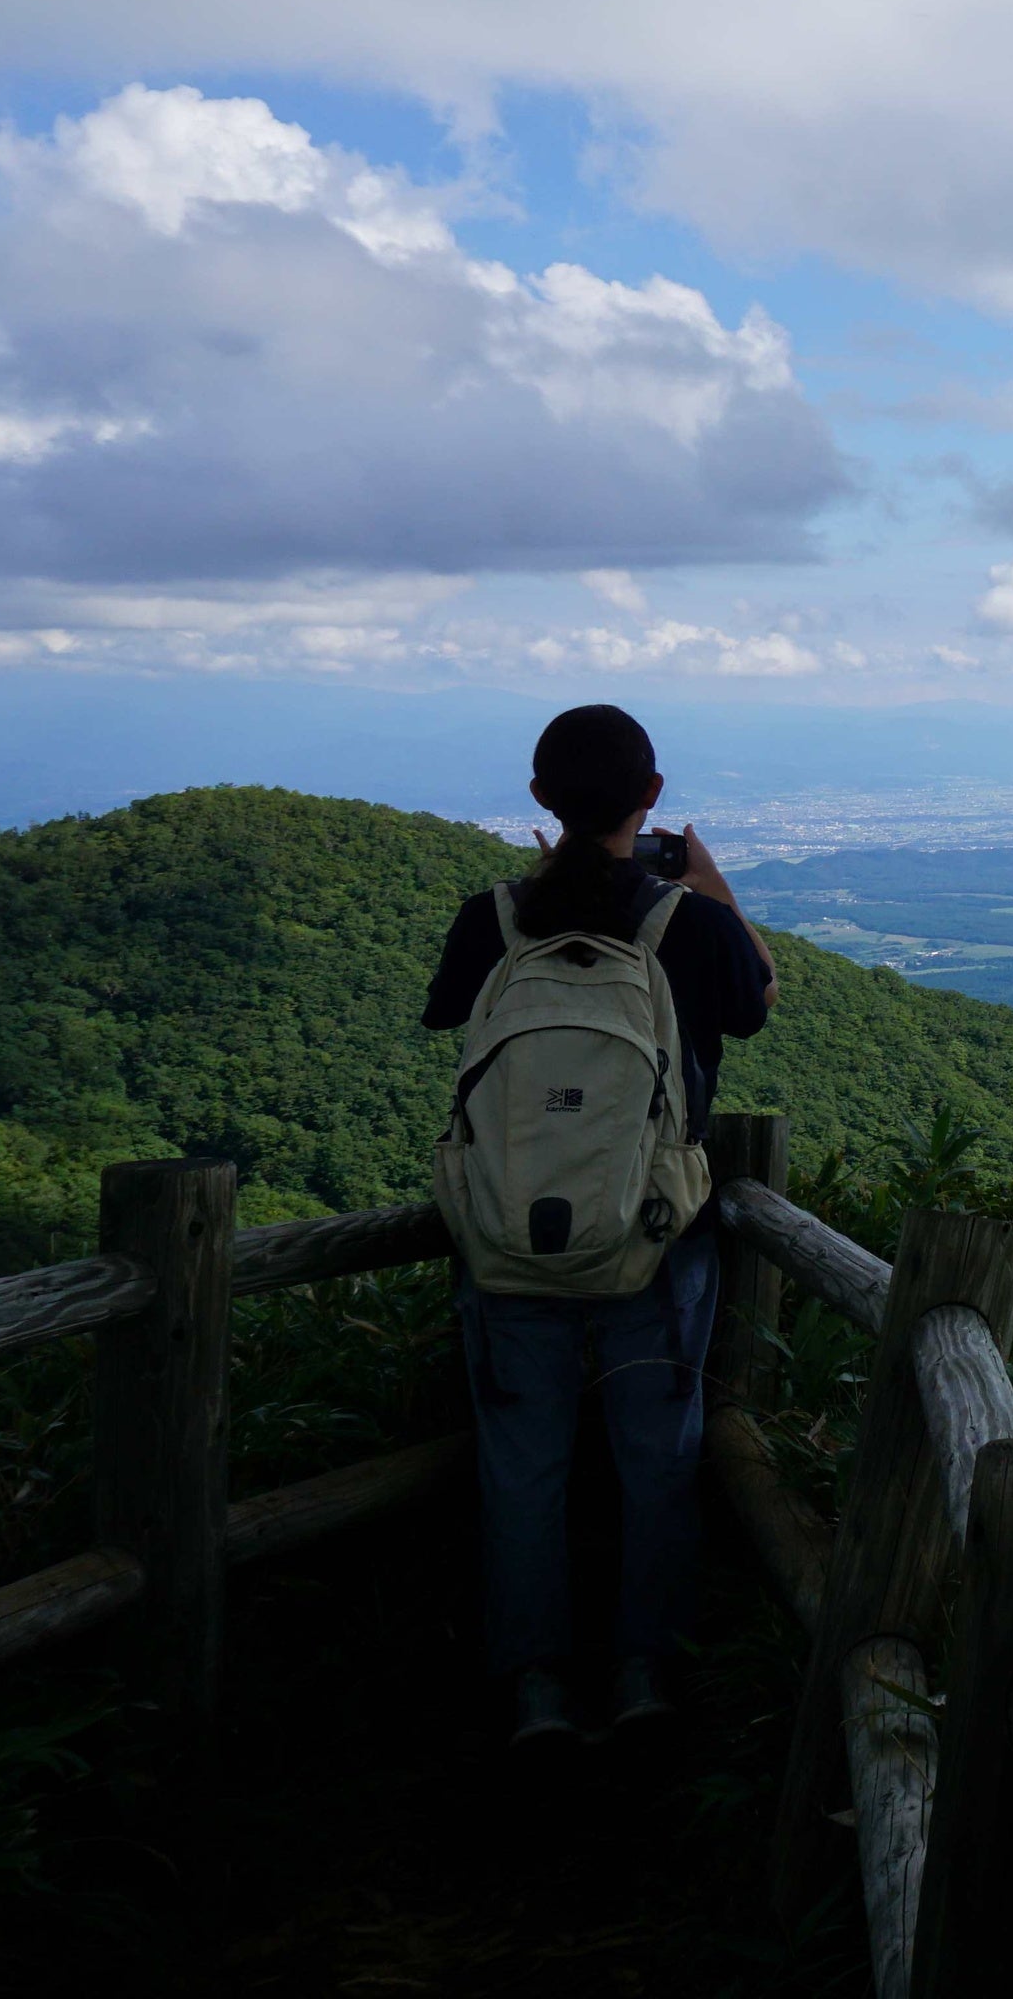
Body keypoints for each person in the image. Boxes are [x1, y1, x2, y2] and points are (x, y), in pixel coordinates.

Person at [422, 703, 777, 1746]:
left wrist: (540, 898)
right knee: (655, 1460)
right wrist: (709, 887)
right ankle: (643, 1676)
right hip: (656, 1241)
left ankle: (535, 1689)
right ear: (652, 797)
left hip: (505, 1240)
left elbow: (449, 1015)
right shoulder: (689, 921)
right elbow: (755, 1002)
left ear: (540, 798)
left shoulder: (492, 917)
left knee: (520, 1467)